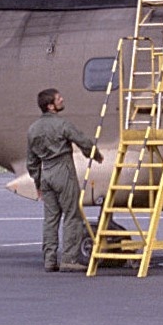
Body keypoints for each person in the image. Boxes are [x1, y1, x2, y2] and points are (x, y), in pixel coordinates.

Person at [26, 88, 101, 272]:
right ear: (50, 106)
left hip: (46, 174)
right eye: (58, 99)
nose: (62, 100)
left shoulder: (33, 129)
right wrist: (94, 154)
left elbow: (31, 161)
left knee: (50, 219)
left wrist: (38, 183)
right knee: (72, 214)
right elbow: (82, 140)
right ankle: (69, 258)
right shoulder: (62, 124)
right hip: (63, 171)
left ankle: (49, 260)